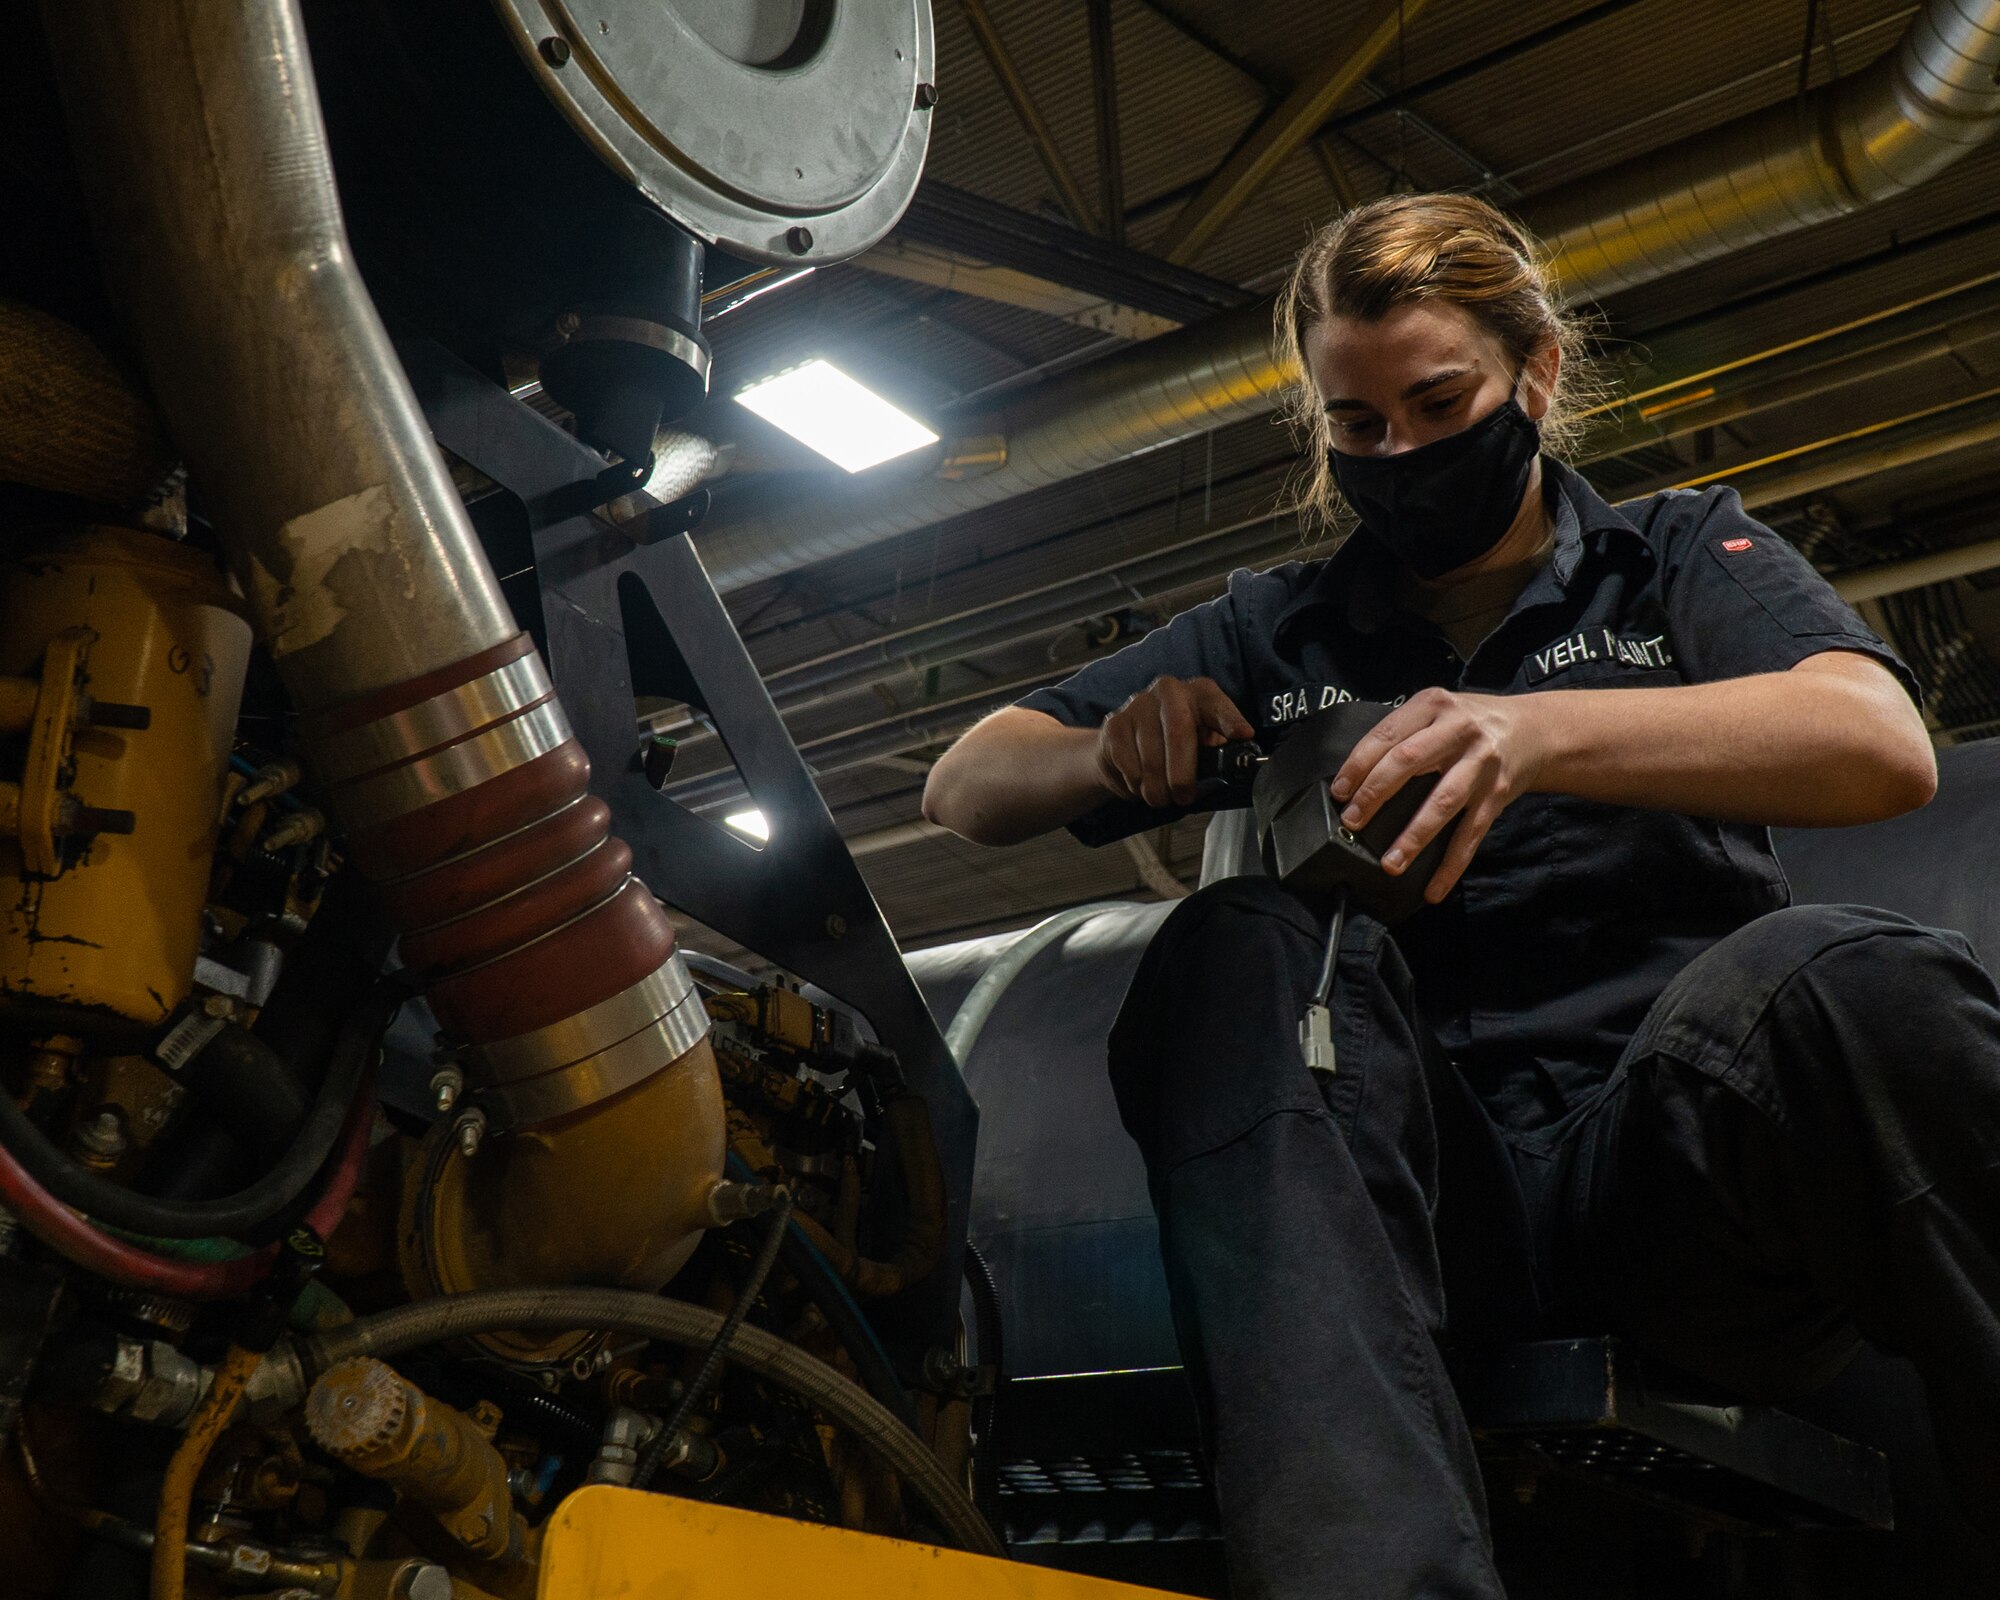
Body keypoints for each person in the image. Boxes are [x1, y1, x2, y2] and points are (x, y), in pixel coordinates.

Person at [922, 193, 2000, 1598]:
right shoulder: (1274, 627)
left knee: (1848, 977)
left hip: (1678, 1196)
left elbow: (1878, 744)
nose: (1403, 454)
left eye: (1440, 404)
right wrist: (1106, 745)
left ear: (1535, 373)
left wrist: (1537, 735)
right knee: (1237, 944)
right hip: (1422, 1213)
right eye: (1357, 427)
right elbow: (965, 784)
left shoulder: (1674, 558)